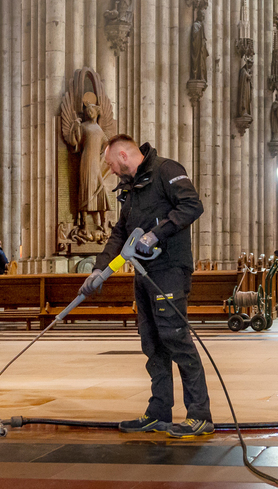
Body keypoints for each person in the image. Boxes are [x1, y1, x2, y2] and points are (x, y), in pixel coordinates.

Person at [79, 135, 212, 438]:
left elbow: (192, 206)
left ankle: (200, 415)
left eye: (111, 165)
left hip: (169, 270)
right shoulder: (130, 188)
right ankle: (159, 412)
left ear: (123, 155)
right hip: (143, 273)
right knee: (152, 342)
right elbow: (119, 233)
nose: (111, 171)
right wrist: (99, 269)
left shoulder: (166, 170)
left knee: (175, 337)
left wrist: (156, 234)